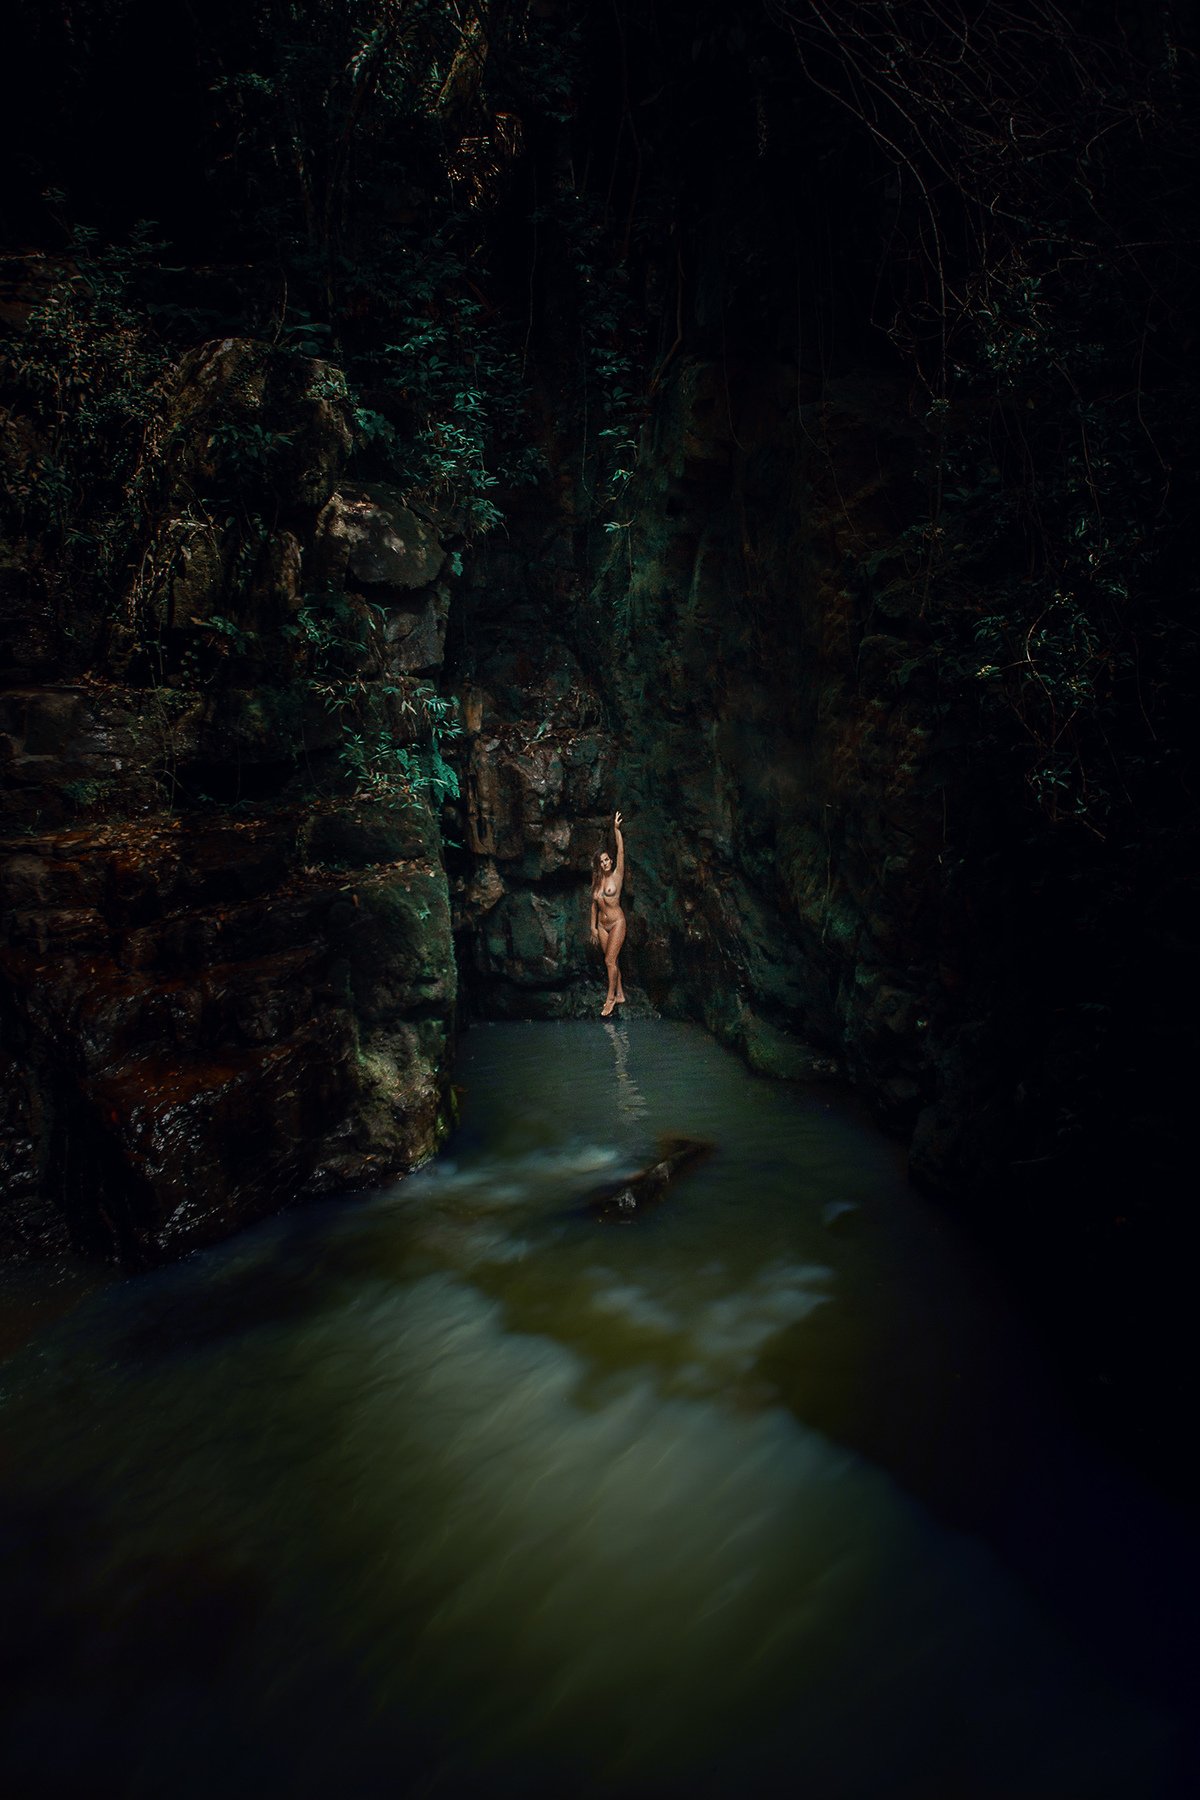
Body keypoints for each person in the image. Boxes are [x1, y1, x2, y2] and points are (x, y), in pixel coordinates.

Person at [590, 811, 626, 1018]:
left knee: (609, 961)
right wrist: (593, 927)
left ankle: (610, 998)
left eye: (607, 859)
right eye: (602, 861)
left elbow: (621, 851)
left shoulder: (617, 875)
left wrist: (616, 830)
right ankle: (620, 993)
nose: (606, 863)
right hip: (602, 926)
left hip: (617, 923)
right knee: (611, 960)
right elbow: (594, 905)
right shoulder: (597, 881)